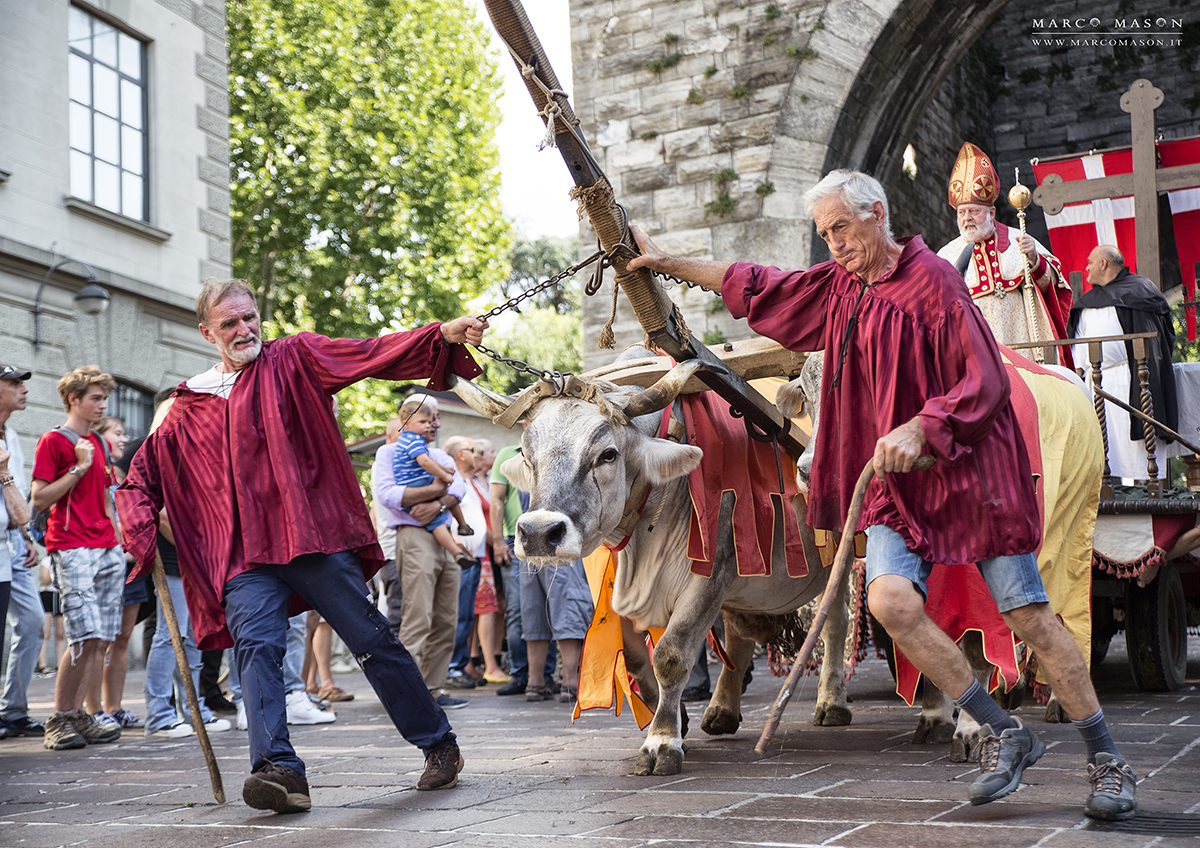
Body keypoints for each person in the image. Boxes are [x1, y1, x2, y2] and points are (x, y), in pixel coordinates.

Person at [625, 169, 1137, 821]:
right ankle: (1007, 734)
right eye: (823, 233)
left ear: (877, 214)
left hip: (973, 479)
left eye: (840, 228)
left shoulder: (936, 284)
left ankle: (1108, 762)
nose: (832, 243)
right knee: (891, 601)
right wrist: (666, 263)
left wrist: (926, 426)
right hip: (896, 489)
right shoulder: (838, 287)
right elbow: (759, 284)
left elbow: (985, 382)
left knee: (1030, 616)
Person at [116, 278, 486, 813]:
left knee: (370, 639)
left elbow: (367, 353)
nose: (244, 329)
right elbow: (140, 476)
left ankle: (437, 743)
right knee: (256, 647)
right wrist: (138, 522)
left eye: (249, 317)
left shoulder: (295, 358)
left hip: (307, 536)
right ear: (207, 333)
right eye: (229, 323)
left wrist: (440, 336)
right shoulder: (185, 404)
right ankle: (279, 770)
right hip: (243, 557)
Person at [31, 366, 124, 750]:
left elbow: (105, 497)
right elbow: (39, 498)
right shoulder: (53, 441)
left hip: (105, 548)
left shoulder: (100, 444)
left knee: (101, 637)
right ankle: (59, 717)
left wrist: (120, 539)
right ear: (74, 399)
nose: (102, 405)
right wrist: (78, 467)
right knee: (83, 635)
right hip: (71, 546)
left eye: (104, 398)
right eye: (95, 398)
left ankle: (79, 716)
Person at [936, 142, 1073, 368]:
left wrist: (1034, 261)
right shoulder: (946, 255)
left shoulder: (1018, 239)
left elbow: (1053, 287)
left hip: (1019, 342)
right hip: (973, 349)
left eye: (974, 211)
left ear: (991, 212)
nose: (967, 218)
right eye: (962, 212)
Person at [375, 396, 468, 711]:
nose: (434, 423)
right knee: (417, 617)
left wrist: (435, 504)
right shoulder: (388, 451)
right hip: (413, 536)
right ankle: (407, 694)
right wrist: (436, 491)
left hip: (443, 533)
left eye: (436, 418)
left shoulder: (439, 453)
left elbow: (459, 489)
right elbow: (388, 495)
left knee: (446, 619)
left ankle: (433, 690)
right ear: (406, 421)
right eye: (427, 418)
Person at [1069, 244, 1179, 481]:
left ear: (1103, 264)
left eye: (1089, 261)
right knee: (1101, 446)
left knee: (1138, 448)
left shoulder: (1140, 291)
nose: (1086, 267)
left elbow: (1158, 342)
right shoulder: (1089, 301)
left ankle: (1148, 489)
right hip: (1095, 384)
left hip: (1130, 379)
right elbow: (1078, 343)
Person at [82, 416, 143, 730]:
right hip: (103, 564)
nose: (123, 439)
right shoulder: (92, 473)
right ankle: (93, 709)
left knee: (122, 638)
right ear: (99, 437)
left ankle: (114, 707)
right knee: (99, 640)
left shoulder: (124, 480)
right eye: (116, 433)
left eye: (123, 432)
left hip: (131, 568)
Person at [0, 365, 45, 740]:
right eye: (13, 383)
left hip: (13, 541)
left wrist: (27, 538)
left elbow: (16, 494)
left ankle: (13, 710)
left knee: (32, 623)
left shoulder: (11, 434)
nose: (22, 390)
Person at [392, 405, 476, 567]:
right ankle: (456, 551)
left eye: (429, 422)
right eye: (422, 422)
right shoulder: (413, 439)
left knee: (449, 495)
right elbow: (423, 461)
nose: (428, 426)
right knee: (437, 519)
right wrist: (443, 475)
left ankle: (463, 526)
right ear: (406, 423)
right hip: (414, 482)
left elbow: (427, 461)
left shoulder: (411, 439)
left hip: (417, 480)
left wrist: (443, 470)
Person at [441, 436, 487, 689]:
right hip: (460, 558)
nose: (477, 454)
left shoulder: (470, 482)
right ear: (460, 454)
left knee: (467, 614)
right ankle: (450, 667)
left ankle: (458, 665)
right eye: (472, 450)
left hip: (475, 557)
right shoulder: (450, 481)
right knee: (457, 613)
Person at [372, 416, 405, 634]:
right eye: (404, 433)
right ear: (389, 437)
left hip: (405, 550)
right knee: (398, 615)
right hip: (393, 551)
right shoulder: (385, 461)